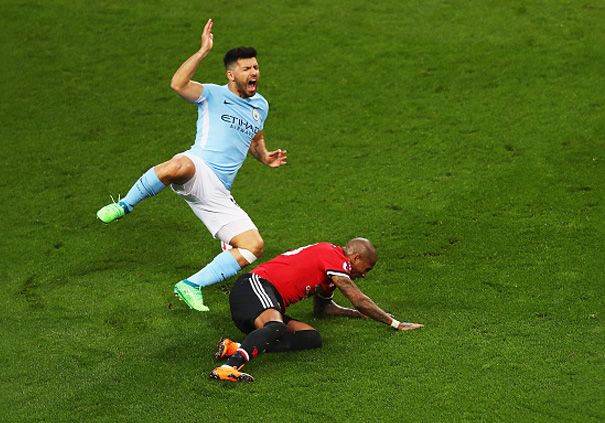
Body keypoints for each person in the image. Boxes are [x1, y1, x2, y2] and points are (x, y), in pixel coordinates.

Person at [95, 19, 287, 312]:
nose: (254, 73)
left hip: (218, 190)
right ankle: (125, 205)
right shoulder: (211, 94)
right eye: (247, 68)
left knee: (253, 245)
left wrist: (264, 156)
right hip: (199, 166)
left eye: (256, 67)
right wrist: (202, 52)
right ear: (231, 74)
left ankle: (191, 285)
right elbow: (177, 84)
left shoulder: (261, 105)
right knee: (179, 165)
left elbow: (254, 136)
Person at [209, 238, 424, 383]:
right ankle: (230, 366)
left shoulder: (330, 269)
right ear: (355, 258)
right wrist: (394, 323)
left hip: (260, 301)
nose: (365, 274)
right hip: (254, 286)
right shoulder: (333, 256)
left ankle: (235, 347)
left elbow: (324, 308)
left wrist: (356, 314)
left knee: (311, 337)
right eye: (366, 269)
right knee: (276, 327)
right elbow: (358, 298)